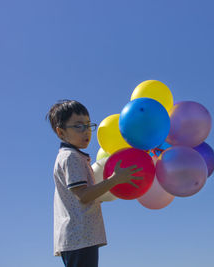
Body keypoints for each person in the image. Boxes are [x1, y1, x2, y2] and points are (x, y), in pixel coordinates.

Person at [46, 100, 143, 267]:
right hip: (79, 237)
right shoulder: (71, 158)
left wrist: (101, 193)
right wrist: (114, 180)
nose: (86, 131)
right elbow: (83, 196)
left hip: (81, 237)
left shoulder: (74, 156)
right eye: (78, 126)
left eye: (88, 125)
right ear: (61, 132)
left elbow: (83, 195)